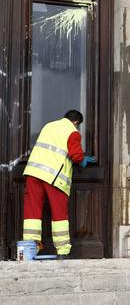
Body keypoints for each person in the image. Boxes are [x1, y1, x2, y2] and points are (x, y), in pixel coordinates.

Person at [22, 110, 96, 259]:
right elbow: (75, 155)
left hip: (33, 173)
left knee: (32, 212)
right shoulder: (72, 131)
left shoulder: (49, 126)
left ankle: (29, 250)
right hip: (54, 177)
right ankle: (63, 251)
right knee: (59, 213)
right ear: (76, 123)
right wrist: (82, 160)